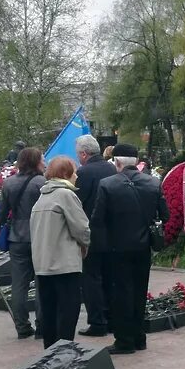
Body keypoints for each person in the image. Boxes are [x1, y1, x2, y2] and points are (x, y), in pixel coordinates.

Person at [91, 144, 169, 355]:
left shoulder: (107, 185)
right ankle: (139, 337)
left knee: (120, 293)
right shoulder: (154, 183)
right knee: (139, 292)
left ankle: (124, 340)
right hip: (143, 247)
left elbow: (97, 220)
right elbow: (165, 215)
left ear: (117, 163)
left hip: (117, 248)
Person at [29, 157, 91, 349]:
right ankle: (64, 354)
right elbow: (81, 228)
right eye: (74, 171)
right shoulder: (66, 195)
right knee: (67, 312)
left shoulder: (43, 196)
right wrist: (85, 245)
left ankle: (50, 353)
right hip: (64, 265)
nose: (77, 175)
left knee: (49, 312)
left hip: (43, 265)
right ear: (65, 174)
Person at [0, 146, 45, 339]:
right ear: (35, 161)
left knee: (19, 284)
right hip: (40, 236)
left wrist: (0, 225)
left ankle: (22, 326)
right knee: (42, 282)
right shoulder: (42, 182)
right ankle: (42, 325)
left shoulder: (9, 183)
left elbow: (1, 213)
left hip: (17, 237)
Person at [74, 134, 117, 337]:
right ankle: (110, 318)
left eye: (78, 154)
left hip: (91, 233)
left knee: (91, 278)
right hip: (113, 232)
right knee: (109, 277)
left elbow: (77, 202)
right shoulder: (111, 168)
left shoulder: (84, 172)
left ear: (84, 153)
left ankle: (97, 322)